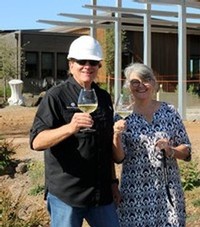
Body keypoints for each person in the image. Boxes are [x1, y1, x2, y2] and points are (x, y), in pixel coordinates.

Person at [30, 35, 120, 227]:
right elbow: (37, 141)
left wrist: (113, 182)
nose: (87, 66)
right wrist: (70, 128)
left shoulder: (103, 97)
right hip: (68, 194)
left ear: (98, 66)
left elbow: (105, 146)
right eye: (82, 61)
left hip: (101, 193)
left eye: (93, 62)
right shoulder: (56, 96)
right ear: (71, 64)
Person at [113, 62, 192, 227]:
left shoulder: (169, 111)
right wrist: (116, 135)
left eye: (146, 79)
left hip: (168, 192)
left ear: (154, 83)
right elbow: (119, 157)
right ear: (128, 86)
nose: (141, 85)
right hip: (134, 194)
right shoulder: (122, 116)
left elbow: (186, 151)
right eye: (135, 82)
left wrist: (170, 150)